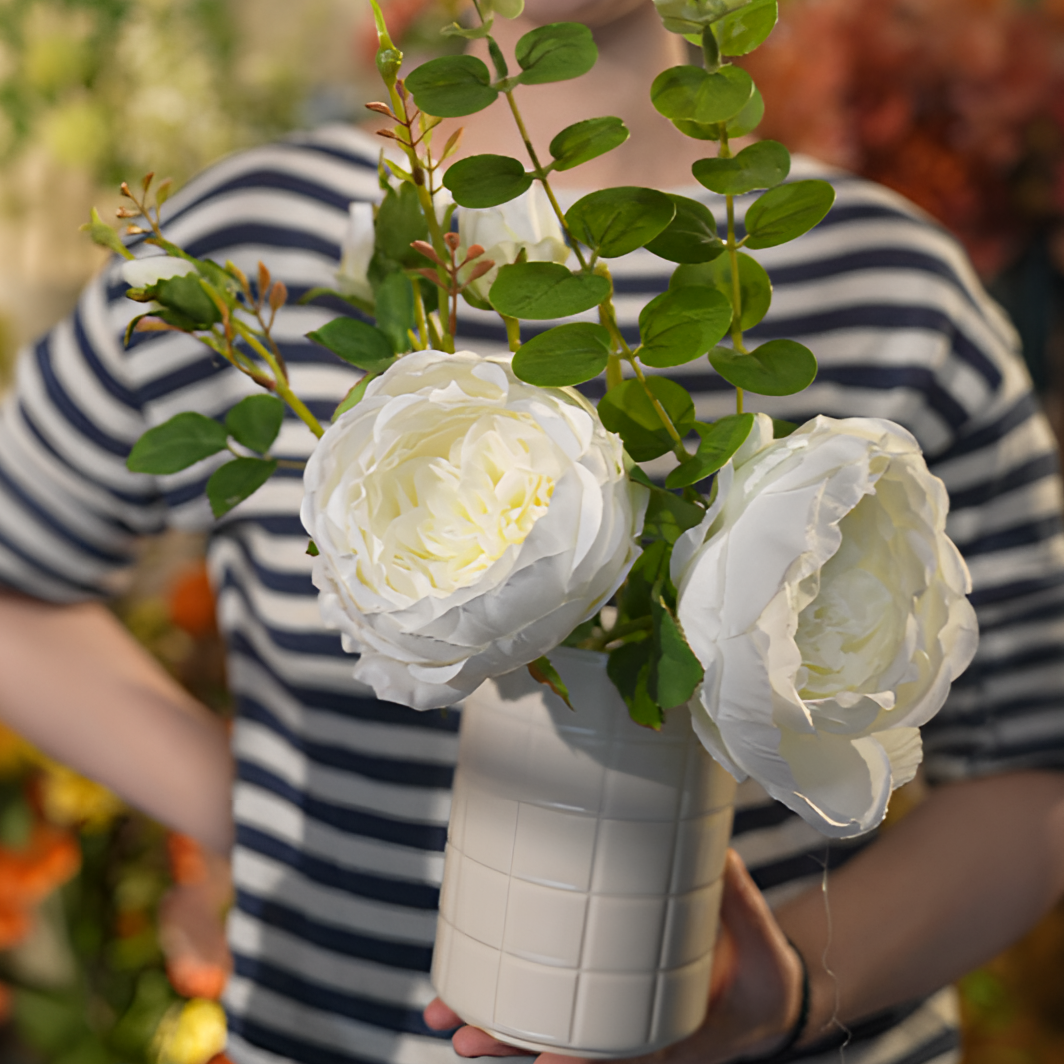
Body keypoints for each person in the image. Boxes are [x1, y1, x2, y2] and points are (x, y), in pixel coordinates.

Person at [1, 1, 1063, 1063]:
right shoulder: (241, 256)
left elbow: (1036, 769)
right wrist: (241, 800)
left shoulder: (892, 292)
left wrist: (776, 995)